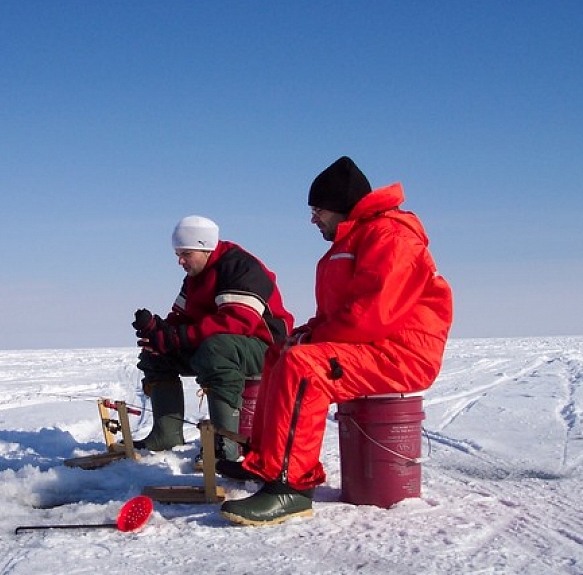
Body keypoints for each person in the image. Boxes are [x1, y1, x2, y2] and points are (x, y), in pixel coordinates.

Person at [219, 156, 454, 525]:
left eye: (318, 210)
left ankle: (290, 488)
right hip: (370, 346)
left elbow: (373, 313)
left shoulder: (390, 236)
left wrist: (314, 339)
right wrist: (307, 333)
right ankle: (266, 463)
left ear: (341, 206)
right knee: (279, 352)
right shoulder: (356, 237)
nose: (313, 219)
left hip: (401, 354)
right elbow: (341, 313)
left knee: (303, 367)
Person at [131, 215, 294, 463]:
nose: (180, 261)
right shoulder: (196, 275)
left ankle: (225, 445)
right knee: (157, 352)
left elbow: (237, 322)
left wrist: (179, 337)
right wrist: (160, 332)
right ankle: (166, 434)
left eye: (185, 253)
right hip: (223, 345)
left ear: (204, 246)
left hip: (266, 347)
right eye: (178, 254)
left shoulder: (239, 267)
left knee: (217, 349)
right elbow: (182, 317)